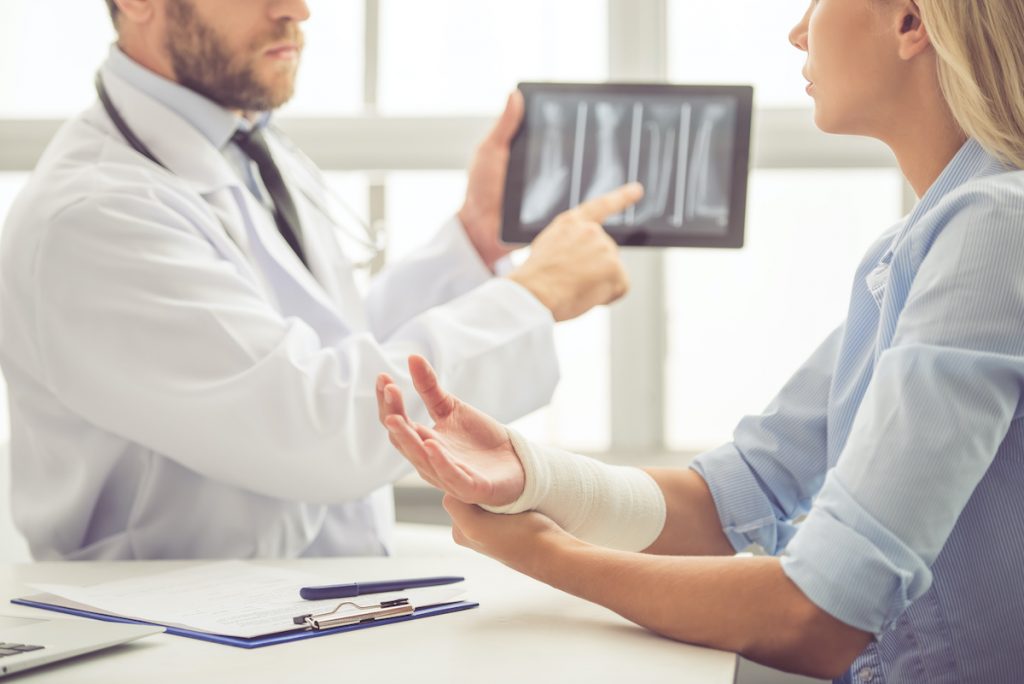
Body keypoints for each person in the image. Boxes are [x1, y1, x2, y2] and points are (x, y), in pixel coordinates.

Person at [376, 0, 1024, 681]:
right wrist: (530, 474)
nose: (798, 30)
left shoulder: (996, 231)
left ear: (910, 22)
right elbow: (738, 492)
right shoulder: (913, 252)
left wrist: (543, 554)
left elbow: (820, 616)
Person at [0, 0, 643, 560]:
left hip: (297, 603)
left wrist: (476, 239)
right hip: (174, 637)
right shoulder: (93, 216)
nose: (298, 9)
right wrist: (531, 297)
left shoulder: (243, 144)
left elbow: (327, 353)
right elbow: (312, 425)